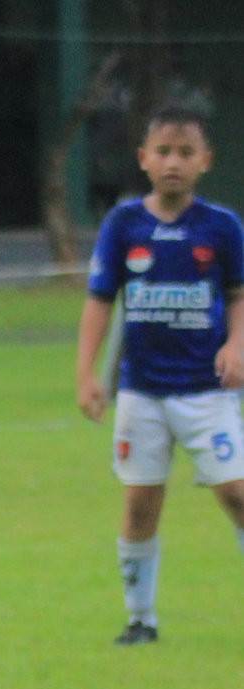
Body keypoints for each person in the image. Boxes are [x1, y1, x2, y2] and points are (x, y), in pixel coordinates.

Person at [76, 106, 244, 645]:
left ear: (205, 162)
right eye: (163, 152)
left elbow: (239, 296)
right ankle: (141, 619)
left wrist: (238, 344)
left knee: (237, 494)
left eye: (185, 152)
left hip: (206, 392)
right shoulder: (124, 225)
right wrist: (87, 374)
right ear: (144, 159)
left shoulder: (222, 227)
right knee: (141, 504)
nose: (174, 162)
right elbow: (100, 301)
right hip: (141, 393)